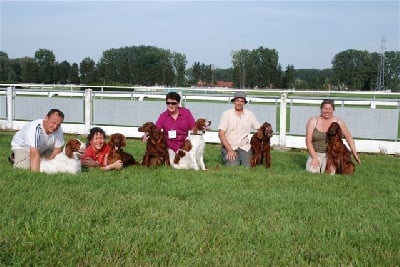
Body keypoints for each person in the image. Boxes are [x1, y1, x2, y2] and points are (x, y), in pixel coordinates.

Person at [305, 99, 361, 173]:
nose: (327, 111)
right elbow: (308, 141)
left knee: (330, 173)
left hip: (330, 156)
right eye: (325, 108)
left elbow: (349, 137)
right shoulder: (313, 120)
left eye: (329, 109)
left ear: (333, 110)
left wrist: (355, 154)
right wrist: (314, 157)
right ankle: (315, 162)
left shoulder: (338, 121)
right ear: (321, 109)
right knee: (313, 171)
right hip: (316, 154)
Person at [218, 91, 261, 167]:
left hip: (244, 147)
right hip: (230, 146)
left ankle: (243, 157)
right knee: (233, 165)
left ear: (244, 103)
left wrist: (267, 130)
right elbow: (221, 134)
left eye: (242, 101)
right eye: (237, 100)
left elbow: (259, 128)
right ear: (234, 101)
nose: (239, 103)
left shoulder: (249, 114)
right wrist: (230, 150)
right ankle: (226, 156)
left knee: (248, 166)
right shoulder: (226, 114)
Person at [154, 91, 196, 162]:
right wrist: (146, 134)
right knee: (174, 162)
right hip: (170, 147)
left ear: (178, 103)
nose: (170, 105)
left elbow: (194, 128)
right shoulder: (163, 116)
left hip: (185, 146)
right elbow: (155, 129)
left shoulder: (186, 113)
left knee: (189, 161)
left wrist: (203, 128)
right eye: (168, 103)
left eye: (173, 103)